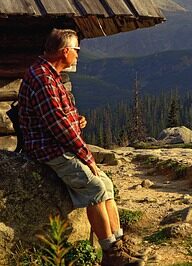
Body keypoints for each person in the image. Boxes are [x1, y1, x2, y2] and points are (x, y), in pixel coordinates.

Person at [18, 29, 144, 266]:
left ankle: (120, 245)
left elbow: (63, 118)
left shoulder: (50, 74)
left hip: (58, 144)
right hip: (49, 148)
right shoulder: (43, 78)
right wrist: (86, 155)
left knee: (106, 185)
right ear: (65, 51)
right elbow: (58, 125)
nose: (78, 55)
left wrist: (77, 121)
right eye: (76, 50)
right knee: (95, 186)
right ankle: (111, 253)